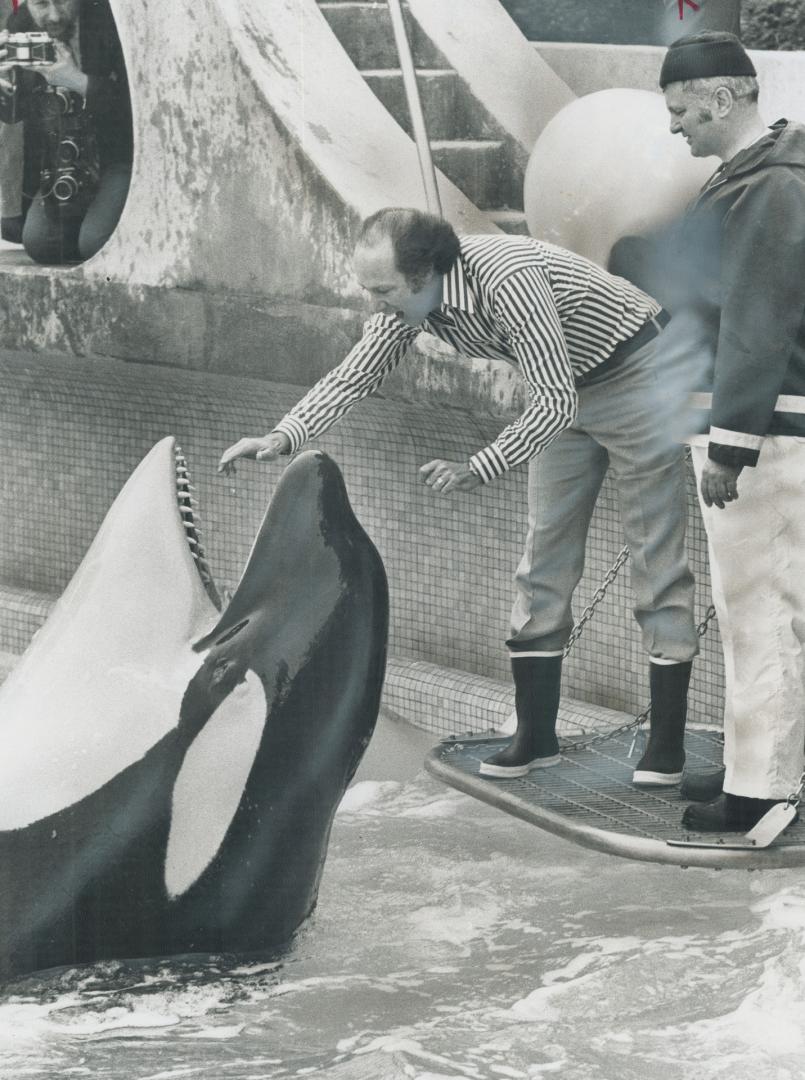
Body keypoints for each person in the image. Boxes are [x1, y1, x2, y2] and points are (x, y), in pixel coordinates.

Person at [219, 209, 699, 783]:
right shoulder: (409, 306)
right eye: (368, 289)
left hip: (639, 372)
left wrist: (480, 465)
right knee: (543, 558)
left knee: (655, 555)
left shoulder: (507, 278)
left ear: (427, 274)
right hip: (565, 389)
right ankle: (535, 737)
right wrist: (282, 434)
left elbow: (553, 402)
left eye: (384, 290)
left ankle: (666, 748)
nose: (375, 303)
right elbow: (354, 376)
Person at [655, 31, 805, 831]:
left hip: (766, 433)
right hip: (770, 424)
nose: (674, 125)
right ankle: (762, 764)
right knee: (773, 609)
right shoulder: (759, 176)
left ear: (720, 98)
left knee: (758, 611)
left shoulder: (769, 184)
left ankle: (761, 791)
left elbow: (756, 319)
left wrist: (730, 444)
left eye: (680, 110)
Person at [0, 0, 132, 263]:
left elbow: (139, 107)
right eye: (41, 4)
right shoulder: (20, 24)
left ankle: (96, 223)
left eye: (62, 1)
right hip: (64, 163)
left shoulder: (112, 21)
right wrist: (5, 92)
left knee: (95, 243)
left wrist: (76, 80)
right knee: (39, 245)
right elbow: (17, 114)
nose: (54, 15)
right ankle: (92, 220)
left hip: (116, 157)